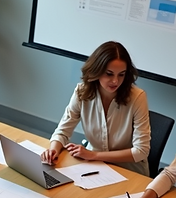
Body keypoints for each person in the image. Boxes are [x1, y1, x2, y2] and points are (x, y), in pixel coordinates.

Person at [42, 41, 152, 176]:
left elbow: (141, 151)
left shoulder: (137, 97)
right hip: (93, 166)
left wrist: (94, 155)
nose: (115, 81)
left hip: (129, 172)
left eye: (121, 74)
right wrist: (53, 150)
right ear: (97, 71)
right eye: (109, 74)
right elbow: (63, 131)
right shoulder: (82, 91)